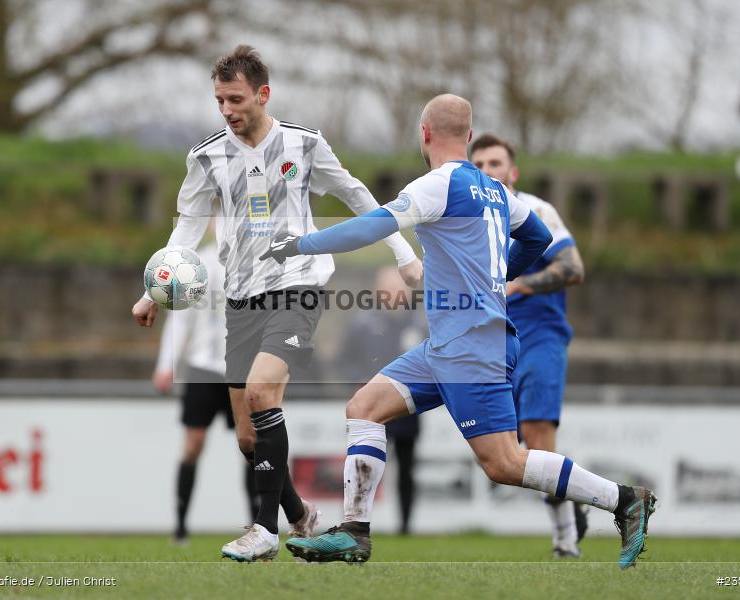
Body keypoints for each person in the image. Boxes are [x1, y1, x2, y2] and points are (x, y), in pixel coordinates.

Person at [262, 94, 656, 569]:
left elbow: (370, 228)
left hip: (473, 346)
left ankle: (624, 499)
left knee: (505, 463)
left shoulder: (436, 185)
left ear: (424, 134)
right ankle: (355, 531)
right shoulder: (495, 190)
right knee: (364, 408)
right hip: (449, 344)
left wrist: (301, 243)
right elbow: (538, 238)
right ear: (469, 138)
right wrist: (497, 276)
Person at [131, 45, 422, 562]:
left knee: (264, 389)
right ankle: (299, 515)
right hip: (240, 299)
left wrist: (402, 254)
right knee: (248, 437)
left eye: (236, 99)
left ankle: (264, 531)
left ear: (263, 94)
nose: (226, 110)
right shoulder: (206, 156)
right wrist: (155, 289)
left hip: (298, 285)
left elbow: (357, 197)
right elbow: (188, 226)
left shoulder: (304, 145)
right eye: (219, 100)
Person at [471, 134, 587, 558]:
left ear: (512, 172)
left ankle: (565, 542)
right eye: (478, 163)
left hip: (540, 335)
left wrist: (520, 285)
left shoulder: (536, 211)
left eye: (495, 163)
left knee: (537, 438)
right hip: (493, 345)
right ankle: (573, 500)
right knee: (508, 453)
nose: (487, 171)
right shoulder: (471, 223)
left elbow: (573, 268)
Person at [151, 238, 259, 545]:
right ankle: (181, 526)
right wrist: (166, 363)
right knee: (193, 445)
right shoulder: (196, 265)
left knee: (250, 445)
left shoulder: (256, 262)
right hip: (202, 367)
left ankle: (257, 526)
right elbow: (180, 318)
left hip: (241, 368)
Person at [336, 266, 426, 534]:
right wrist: (358, 383)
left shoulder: (421, 323)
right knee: (363, 464)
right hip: (371, 409)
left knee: (407, 468)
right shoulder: (362, 323)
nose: (394, 294)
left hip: (407, 408)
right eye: (388, 288)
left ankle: (406, 526)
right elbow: (344, 361)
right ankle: (357, 522)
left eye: (399, 288)